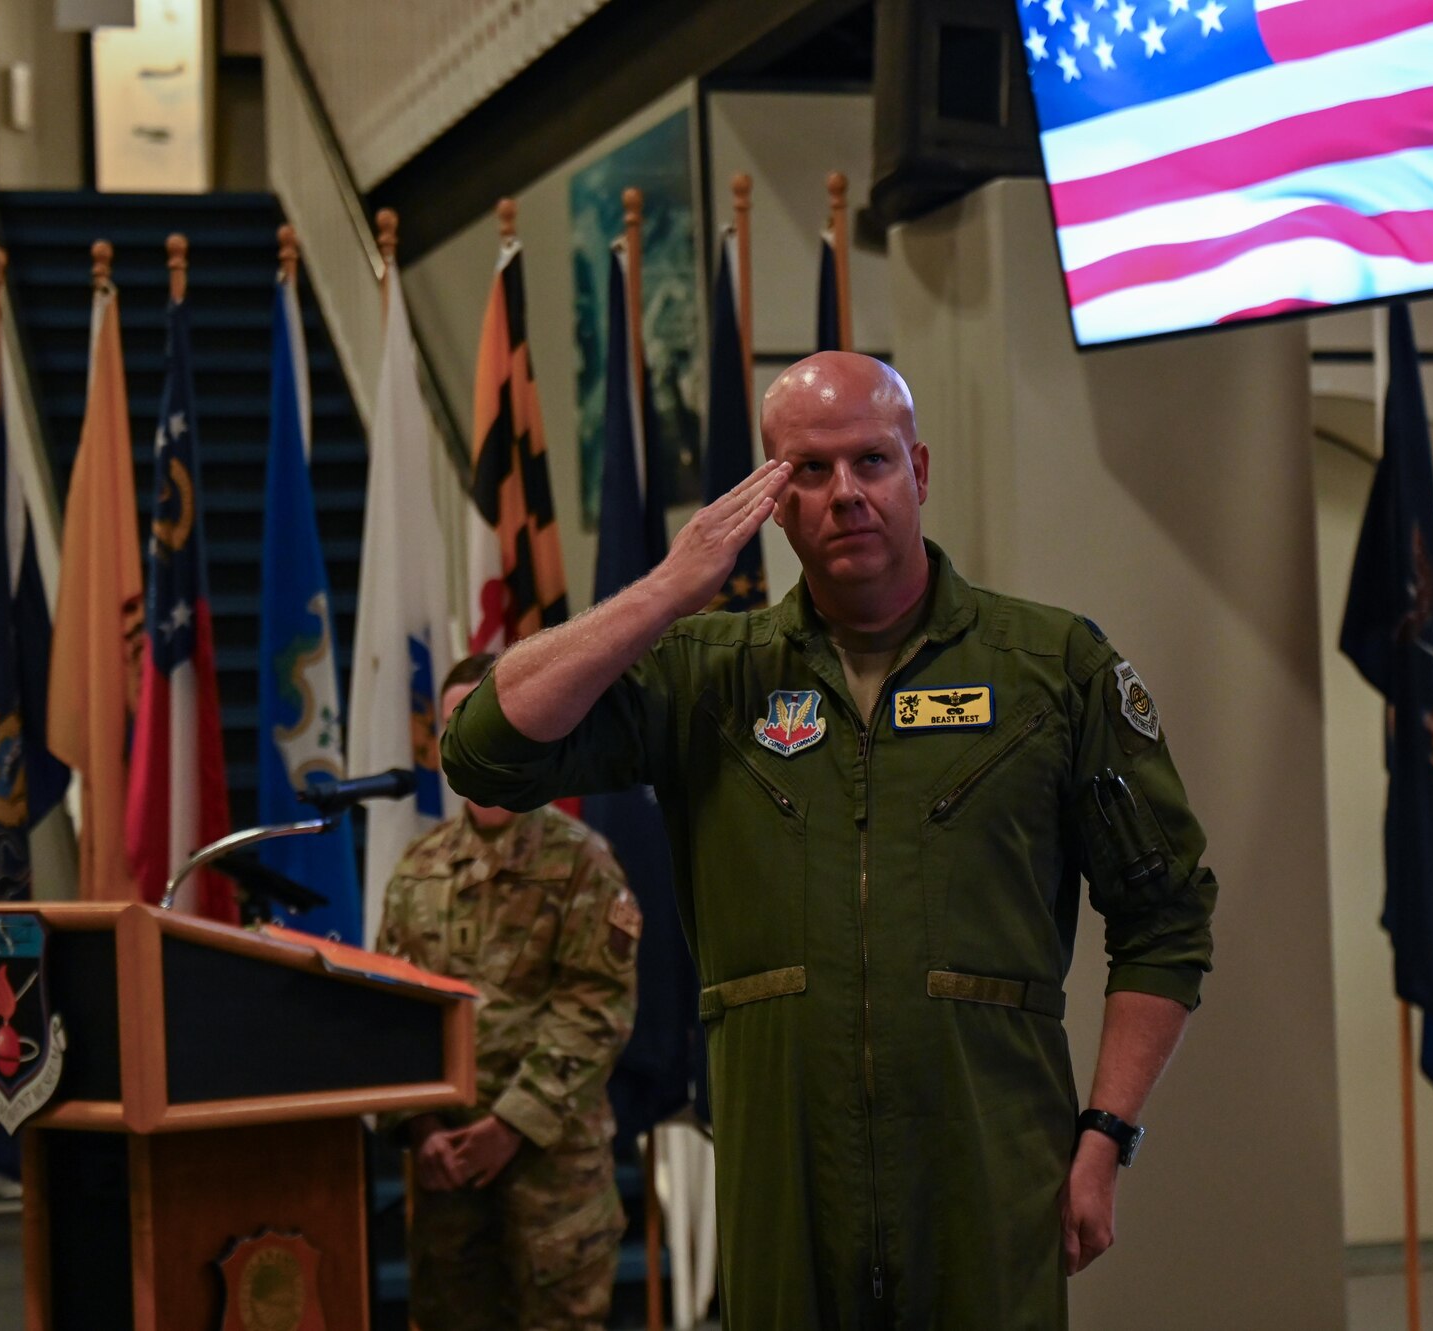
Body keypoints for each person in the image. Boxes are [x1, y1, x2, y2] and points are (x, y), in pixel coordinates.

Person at [441, 352, 1220, 1328]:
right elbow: (483, 753)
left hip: (985, 1166)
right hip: (784, 1173)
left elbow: (1165, 915)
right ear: (769, 498)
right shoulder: (707, 678)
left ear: (919, 470)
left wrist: (1103, 1135)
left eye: (871, 461)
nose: (844, 493)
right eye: (807, 471)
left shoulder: (1049, 668)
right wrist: (666, 591)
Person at [378, 652, 641, 1331]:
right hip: (446, 1172)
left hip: (552, 1173)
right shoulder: (418, 869)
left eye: (486, 722)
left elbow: (597, 1007)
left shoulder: (580, 860)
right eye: (454, 725)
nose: (471, 740)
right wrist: (419, 1126)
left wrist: (511, 1124)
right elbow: (388, 1009)